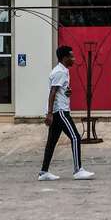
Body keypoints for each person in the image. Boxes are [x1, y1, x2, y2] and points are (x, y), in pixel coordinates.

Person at [39, 45, 93, 181]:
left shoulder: (63, 71)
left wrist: (67, 92)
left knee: (51, 142)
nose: (74, 59)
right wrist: (49, 113)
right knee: (75, 137)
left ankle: (44, 172)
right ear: (64, 58)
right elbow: (52, 92)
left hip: (58, 111)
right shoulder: (60, 72)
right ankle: (78, 170)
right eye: (71, 56)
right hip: (60, 111)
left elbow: (59, 90)